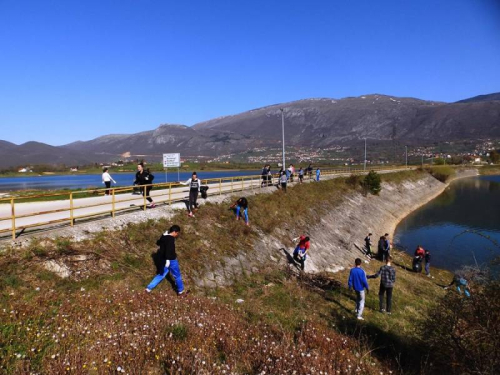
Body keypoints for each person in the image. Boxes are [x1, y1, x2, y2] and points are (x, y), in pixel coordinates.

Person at [146, 225, 187, 296]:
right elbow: (169, 250)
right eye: (177, 233)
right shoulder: (171, 239)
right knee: (177, 276)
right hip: (171, 260)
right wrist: (168, 259)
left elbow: (158, 243)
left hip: (163, 260)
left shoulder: (164, 237)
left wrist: (162, 236)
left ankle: (148, 289)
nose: (177, 235)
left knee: (161, 274)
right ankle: (181, 292)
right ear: (174, 232)